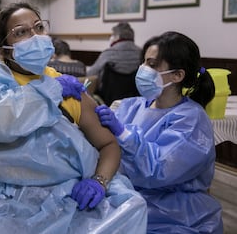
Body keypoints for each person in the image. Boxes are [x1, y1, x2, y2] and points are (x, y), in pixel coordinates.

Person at [0, 2, 147, 233]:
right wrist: (51, 90)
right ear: (4, 48)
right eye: (21, 32)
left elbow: (108, 145)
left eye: (38, 27)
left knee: (132, 207)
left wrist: (99, 181)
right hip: (6, 192)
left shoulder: (69, 89)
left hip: (70, 192)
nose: (34, 36)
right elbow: (2, 122)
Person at [95, 31, 223, 233]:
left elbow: (159, 171)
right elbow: (100, 145)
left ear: (178, 75)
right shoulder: (130, 106)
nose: (143, 70)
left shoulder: (192, 120)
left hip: (173, 213)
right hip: (125, 197)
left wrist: (123, 134)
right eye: (144, 62)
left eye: (152, 65)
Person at [86, 22, 141, 91]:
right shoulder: (141, 52)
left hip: (109, 96)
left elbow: (90, 74)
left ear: (117, 36)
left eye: (112, 35)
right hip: (135, 95)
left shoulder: (108, 53)